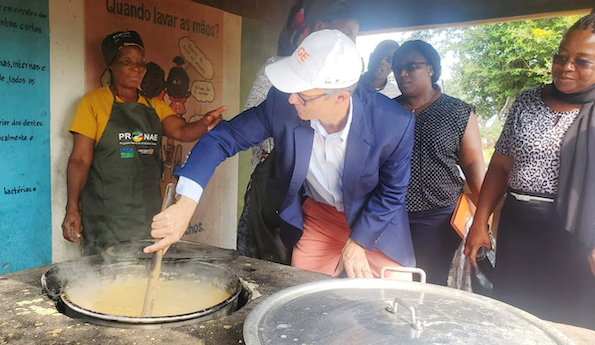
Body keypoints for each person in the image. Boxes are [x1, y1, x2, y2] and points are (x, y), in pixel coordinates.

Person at [144, 30, 416, 279]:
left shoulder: (393, 123)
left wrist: (358, 243)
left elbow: (392, 194)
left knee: (391, 306)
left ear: (340, 98)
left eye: (303, 96)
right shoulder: (283, 103)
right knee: (305, 299)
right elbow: (223, 138)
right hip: (319, 219)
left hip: (375, 225)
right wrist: (185, 204)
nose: (291, 99)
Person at [464, 14, 595, 329]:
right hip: (519, 230)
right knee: (516, 317)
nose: (566, 67)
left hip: (577, 235)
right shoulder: (526, 102)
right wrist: (479, 222)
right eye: (561, 58)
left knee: (570, 320)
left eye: (583, 61)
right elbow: (500, 165)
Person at [62, 30, 224, 255]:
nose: (136, 68)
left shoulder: (154, 106)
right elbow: (80, 160)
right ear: (111, 66)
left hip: (148, 214)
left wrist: (205, 123)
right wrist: (72, 209)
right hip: (105, 216)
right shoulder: (94, 103)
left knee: (145, 277)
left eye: (141, 62)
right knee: (106, 281)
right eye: (126, 61)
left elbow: (183, 131)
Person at [237, 0, 360, 263]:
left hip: (317, 197)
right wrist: (284, 149)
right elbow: (253, 117)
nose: (350, 41)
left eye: (354, 36)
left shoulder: (343, 82)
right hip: (277, 177)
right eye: (345, 34)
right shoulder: (278, 67)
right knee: (269, 256)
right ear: (319, 29)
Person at [391, 40, 485, 285]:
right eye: (397, 67)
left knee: (429, 282)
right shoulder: (385, 111)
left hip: (438, 217)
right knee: (390, 280)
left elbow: (474, 165)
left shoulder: (458, 111)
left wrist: (483, 219)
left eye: (411, 66)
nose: (403, 73)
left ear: (431, 69)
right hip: (390, 212)